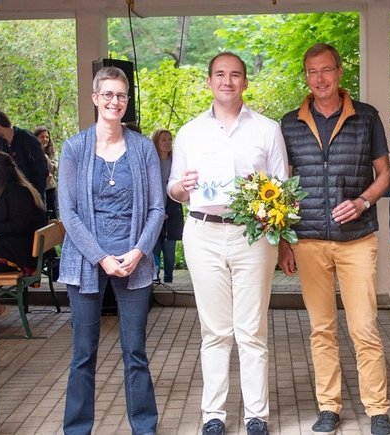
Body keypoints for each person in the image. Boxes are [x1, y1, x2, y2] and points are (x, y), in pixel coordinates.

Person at [167, 52, 287, 435]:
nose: (227, 81)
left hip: (253, 236)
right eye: (220, 74)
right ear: (209, 82)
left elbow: (282, 188)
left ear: (245, 82)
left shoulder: (267, 129)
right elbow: (173, 188)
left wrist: (279, 233)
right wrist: (181, 189)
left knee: (251, 330)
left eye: (235, 75)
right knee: (215, 331)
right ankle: (213, 416)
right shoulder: (189, 132)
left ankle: (256, 416)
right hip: (203, 234)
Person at [278, 43, 390, 435]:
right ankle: (329, 407)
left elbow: (385, 175)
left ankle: (378, 409)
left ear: (340, 72)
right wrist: (283, 242)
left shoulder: (366, 117)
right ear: (306, 76)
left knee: (364, 327)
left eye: (327, 70)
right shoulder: (289, 123)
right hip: (308, 240)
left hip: (357, 239)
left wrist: (362, 202)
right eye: (313, 72)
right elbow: (281, 188)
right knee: (321, 329)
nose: (320, 78)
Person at [57, 66, 164, 435]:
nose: (114, 101)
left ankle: (144, 427)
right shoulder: (74, 147)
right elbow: (67, 212)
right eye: (107, 94)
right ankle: (76, 429)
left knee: (135, 352)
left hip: (134, 262)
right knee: (83, 355)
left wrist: (139, 252)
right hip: (87, 262)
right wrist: (100, 257)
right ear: (94, 98)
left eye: (121, 95)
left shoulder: (143, 147)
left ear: (126, 101)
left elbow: (157, 208)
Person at [0, 151, 48, 273]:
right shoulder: (8, 191)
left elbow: (18, 226)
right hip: (15, 248)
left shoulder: (18, 193)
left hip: (19, 255)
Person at [0, 110, 49, 197]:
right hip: (15, 195)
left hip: (33, 193)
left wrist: (37, 193)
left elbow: (41, 167)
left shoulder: (27, 138)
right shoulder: (1, 143)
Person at [150, 128, 183, 283]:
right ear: (156, 142)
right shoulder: (150, 162)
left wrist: (168, 212)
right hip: (153, 214)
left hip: (172, 214)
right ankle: (154, 278)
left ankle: (169, 279)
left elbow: (180, 188)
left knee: (169, 252)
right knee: (154, 249)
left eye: (169, 139)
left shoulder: (177, 163)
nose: (167, 143)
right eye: (163, 140)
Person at [34, 126, 59, 219]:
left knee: (53, 216)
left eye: (47, 137)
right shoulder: (30, 152)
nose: (45, 139)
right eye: (42, 137)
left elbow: (52, 168)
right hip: (36, 189)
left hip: (50, 189)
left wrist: (43, 155)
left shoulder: (52, 152)